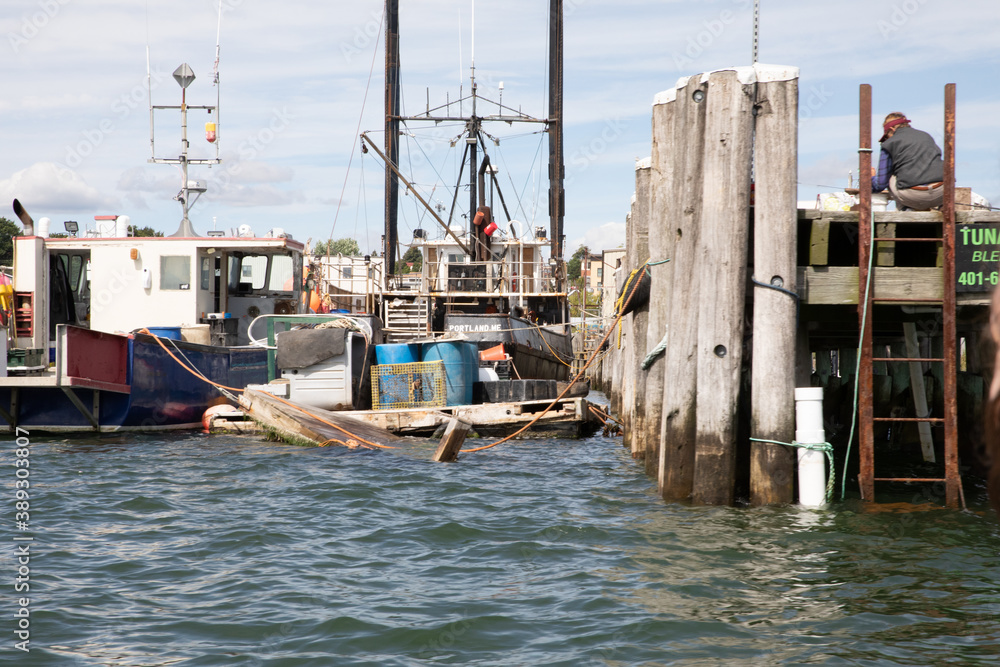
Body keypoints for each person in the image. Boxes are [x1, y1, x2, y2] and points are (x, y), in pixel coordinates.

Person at [871, 112, 945, 211]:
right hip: (942, 192)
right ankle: (940, 207)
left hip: (913, 196)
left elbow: (880, 184)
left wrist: (871, 179)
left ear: (891, 129)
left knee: (891, 175)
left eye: (887, 136)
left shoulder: (889, 143)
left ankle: (905, 209)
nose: (887, 139)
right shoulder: (926, 136)